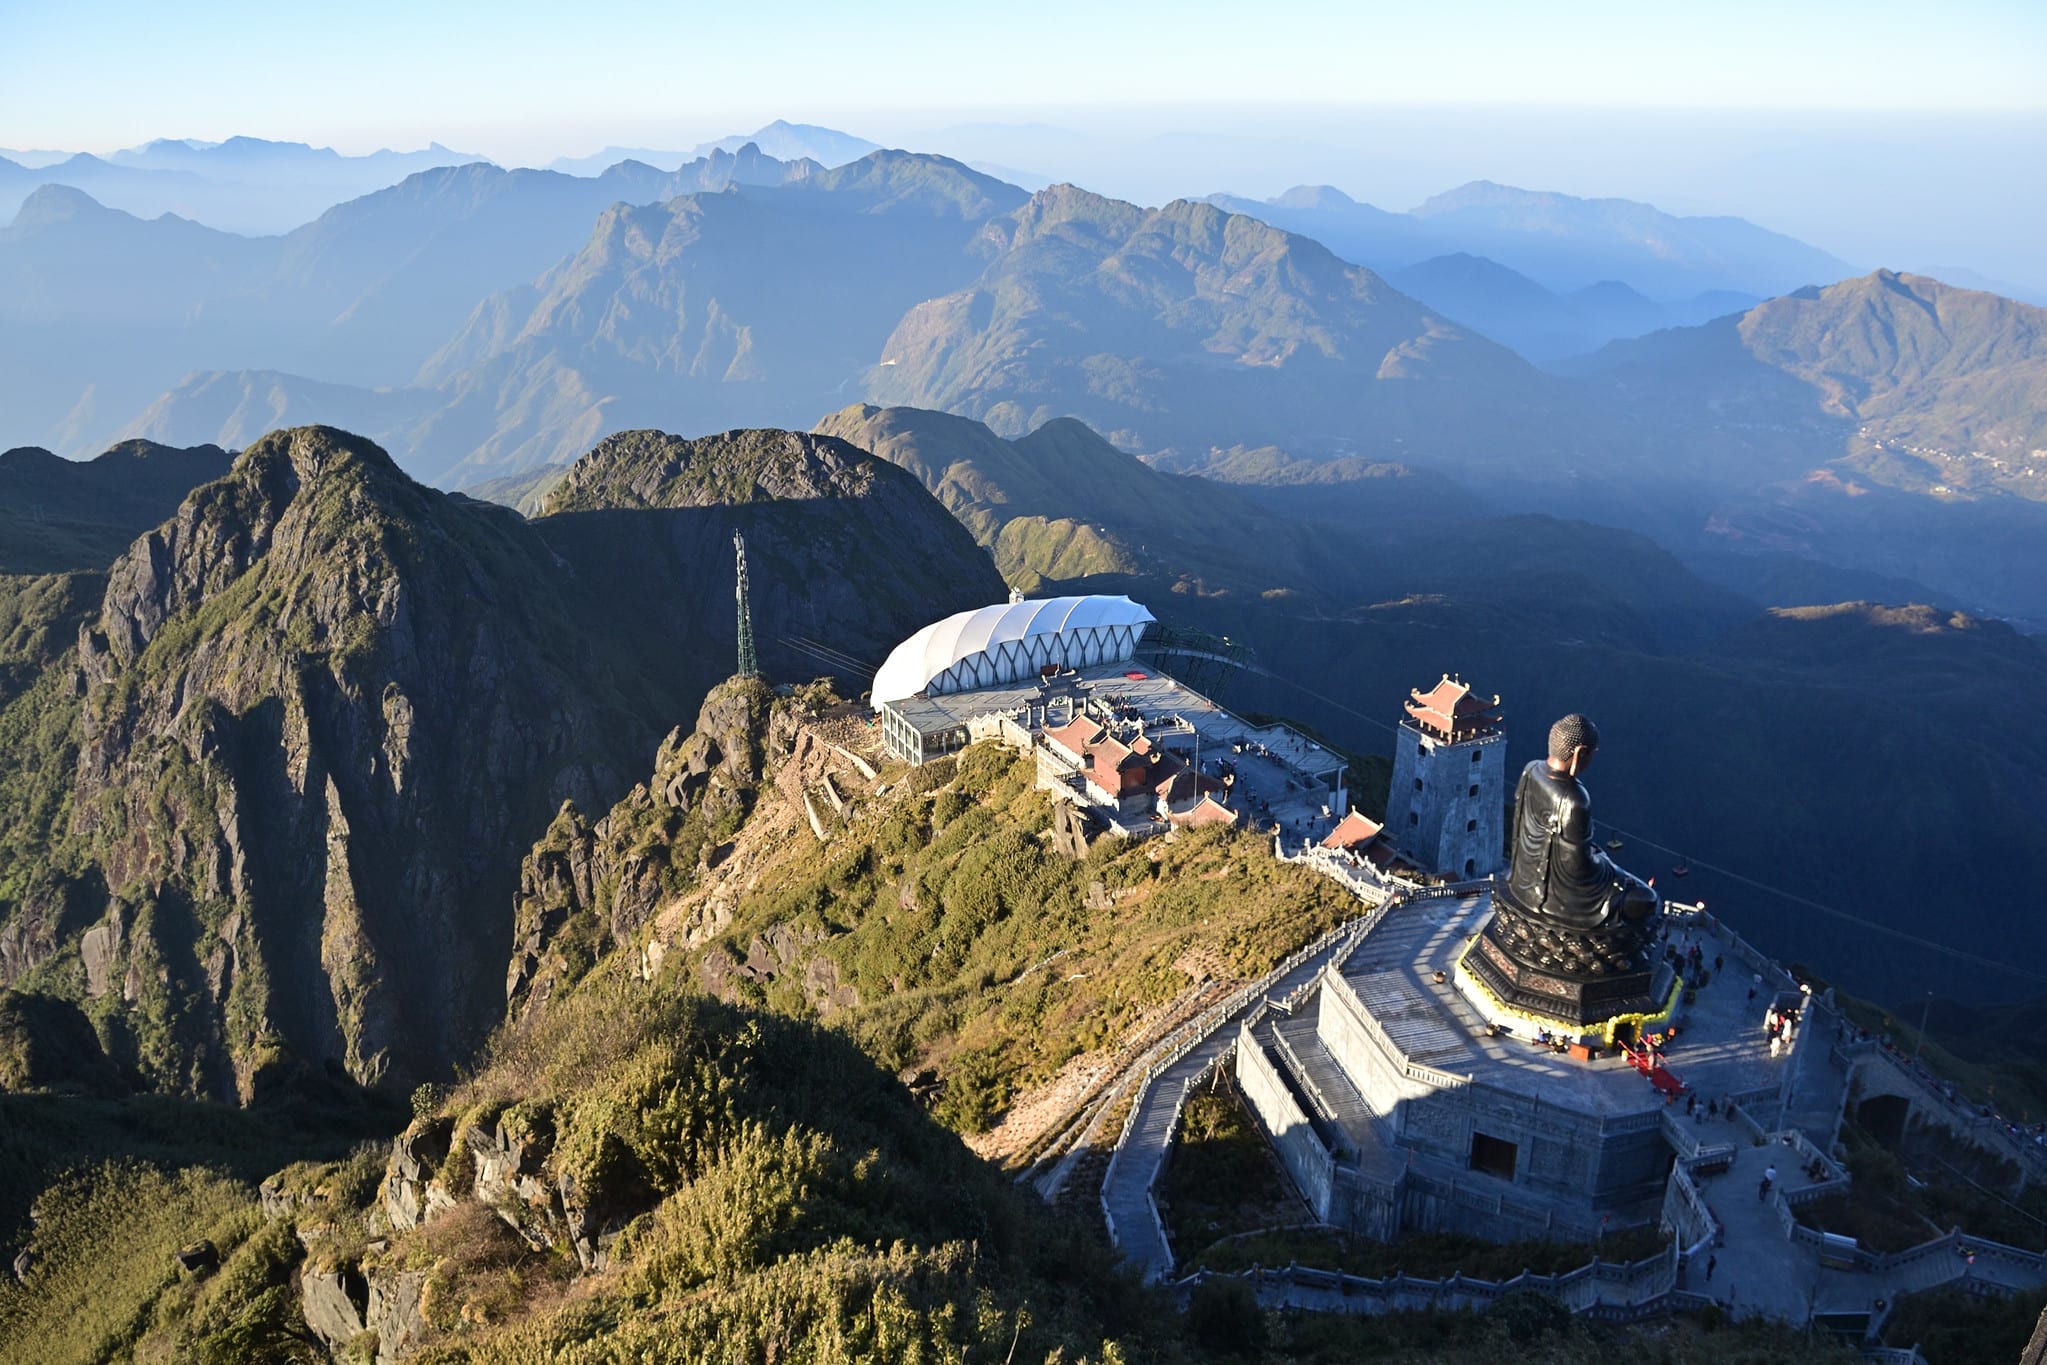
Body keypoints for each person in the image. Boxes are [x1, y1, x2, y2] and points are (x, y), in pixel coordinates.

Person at [1498, 714, 1659, 930]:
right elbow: (1578, 868)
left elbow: (1519, 830)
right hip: (1557, 899)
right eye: (1592, 754)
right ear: (1580, 753)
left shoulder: (1531, 769)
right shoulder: (1575, 799)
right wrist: (1604, 862)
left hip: (1520, 881)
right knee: (1646, 898)